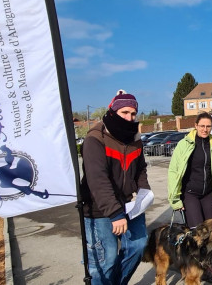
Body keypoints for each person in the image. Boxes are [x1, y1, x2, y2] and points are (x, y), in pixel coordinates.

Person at [81, 90, 149, 285]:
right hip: (100, 208)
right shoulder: (95, 138)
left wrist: (145, 192)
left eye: (133, 114)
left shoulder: (134, 138)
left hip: (129, 203)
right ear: (113, 112)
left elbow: (141, 168)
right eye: (124, 113)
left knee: (138, 246)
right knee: (106, 260)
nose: (130, 118)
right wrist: (115, 214)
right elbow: (97, 179)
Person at [167, 112, 212, 283]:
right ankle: (193, 268)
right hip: (190, 194)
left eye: (208, 126)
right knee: (197, 235)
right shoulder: (184, 144)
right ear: (195, 125)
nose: (205, 129)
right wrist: (175, 199)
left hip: (209, 193)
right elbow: (173, 171)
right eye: (202, 126)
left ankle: (207, 266)